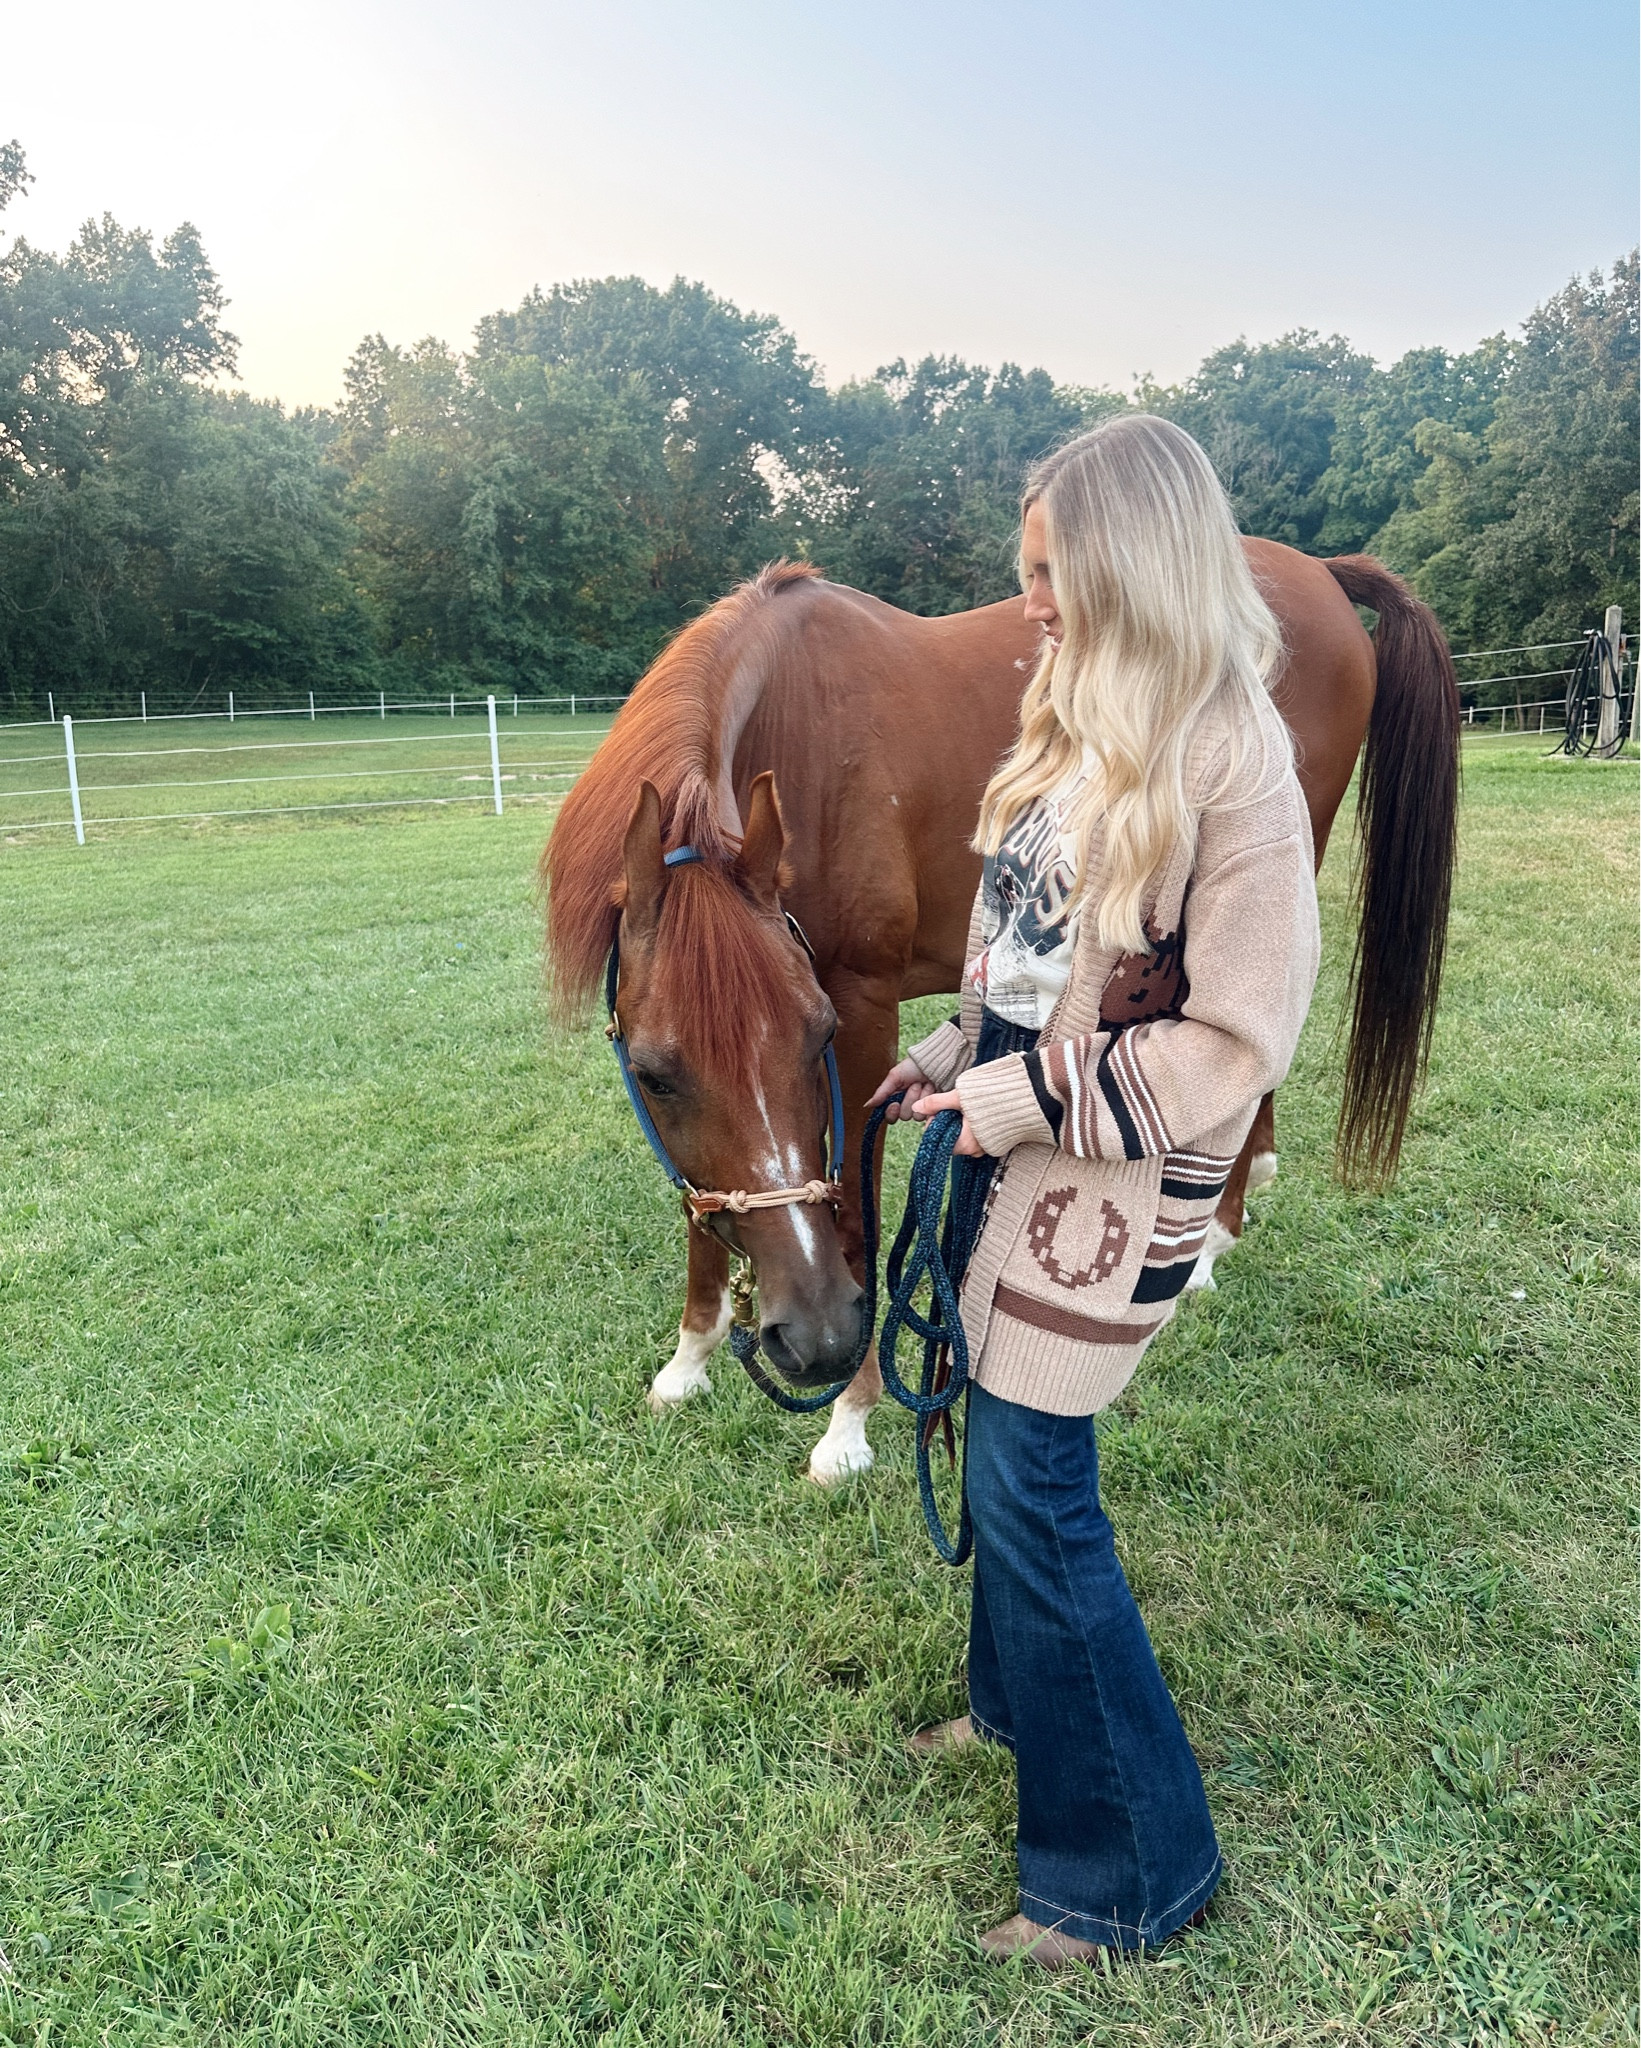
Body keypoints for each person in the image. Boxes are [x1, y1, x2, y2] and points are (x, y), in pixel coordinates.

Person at [867, 414, 1320, 1967]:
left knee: (1035, 1487)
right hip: (1015, 1151)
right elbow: (1020, 957)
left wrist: (1008, 1101)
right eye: (1026, 572)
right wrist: (945, 1048)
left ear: (1135, 563)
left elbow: (1233, 1043)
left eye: (1054, 572)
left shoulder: (1230, 758)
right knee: (997, 1447)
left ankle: (1129, 1866)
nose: (1034, 602)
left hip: (1106, 1185)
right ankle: (1013, 1711)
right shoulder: (1070, 727)